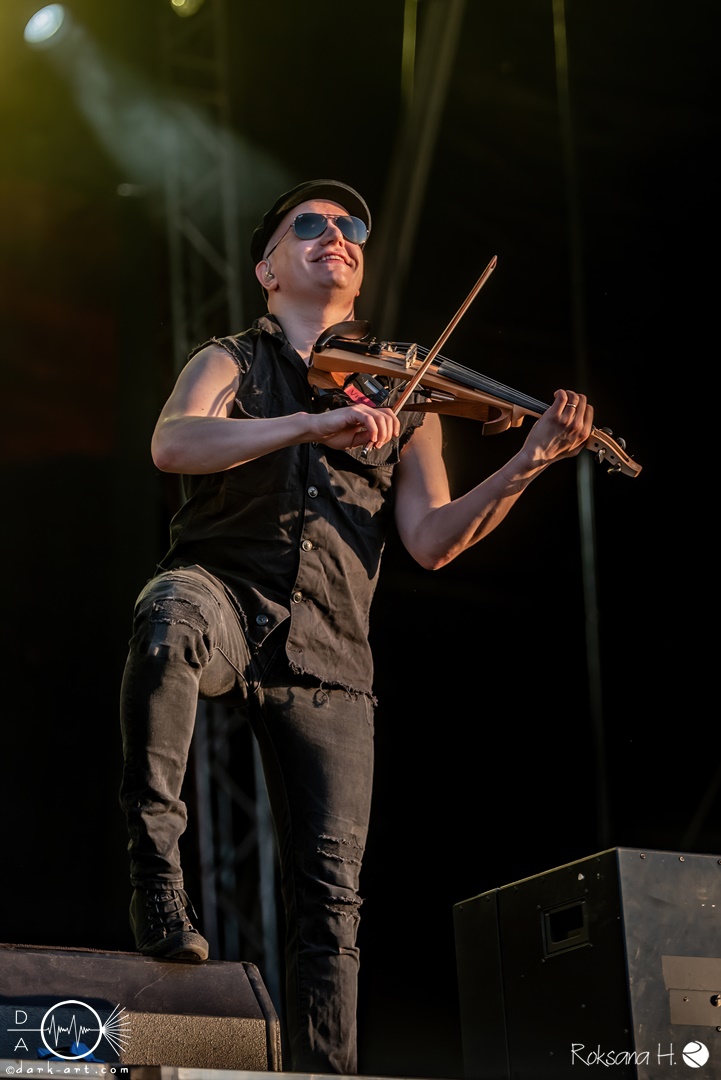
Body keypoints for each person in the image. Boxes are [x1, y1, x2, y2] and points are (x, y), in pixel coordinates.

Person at [118, 178, 593, 1074]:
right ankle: (157, 877)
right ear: (268, 268)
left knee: (331, 902)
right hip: (225, 592)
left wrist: (526, 465)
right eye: (311, 225)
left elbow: (430, 539)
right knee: (166, 619)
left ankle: (326, 1075)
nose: (335, 235)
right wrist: (312, 422)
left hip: (332, 645)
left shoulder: (405, 391)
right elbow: (173, 443)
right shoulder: (230, 359)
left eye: (351, 228)